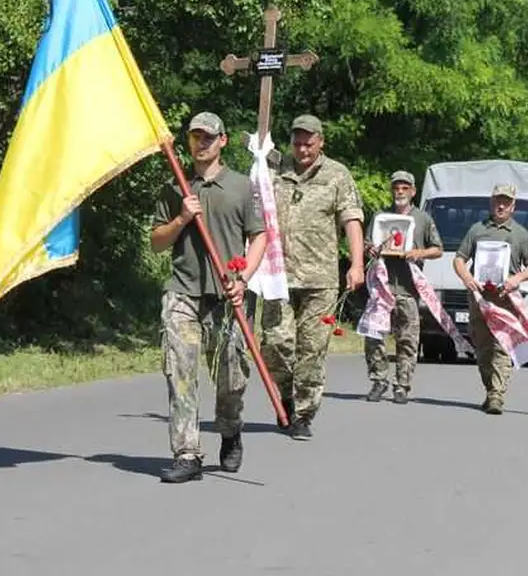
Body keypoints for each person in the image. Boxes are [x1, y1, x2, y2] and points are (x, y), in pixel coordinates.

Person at [150, 112, 267, 483]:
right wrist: (182, 218)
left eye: (207, 138)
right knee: (180, 372)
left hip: (228, 294)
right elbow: (156, 242)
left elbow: (260, 236)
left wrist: (244, 278)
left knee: (232, 378)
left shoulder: (242, 187)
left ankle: (230, 429)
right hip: (183, 292)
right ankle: (187, 453)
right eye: (194, 137)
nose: (200, 144)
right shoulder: (176, 186)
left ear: (222, 141)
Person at [262, 114, 366, 440]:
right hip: (279, 275)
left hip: (320, 279)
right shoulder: (276, 170)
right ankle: (287, 396)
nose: (303, 149)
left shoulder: (337, 175)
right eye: (297, 142)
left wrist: (357, 264)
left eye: (309, 142)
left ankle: (304, 415)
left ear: (320, 141)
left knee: (312, 348)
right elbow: (255, 201)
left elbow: (351, 220)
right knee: (275, 343)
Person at [451, 184, 528, 414]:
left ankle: (496, 395)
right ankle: (490, 388)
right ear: (491, 202)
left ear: (513, 205)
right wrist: (467, 278)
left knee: (501, 345)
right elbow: (459, 259)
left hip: (504, 299)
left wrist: (516, 279)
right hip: (479, 298)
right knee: (482, 347)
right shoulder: (477, 230)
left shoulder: (520, 234)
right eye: (498, 200)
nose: (501, 205)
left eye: (506, 201)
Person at [363, 171, 443, 403]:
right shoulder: (381, 217)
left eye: (405, 188)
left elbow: (438, 248)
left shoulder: (423, 219)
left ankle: (402, 386)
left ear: (413, 192)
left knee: (407, 340)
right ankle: (378, 381)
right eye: (396, 187)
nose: (400, 191)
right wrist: (371, 249)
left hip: (408, 289)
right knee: (374, 337)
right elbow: (369, 243)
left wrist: (419, 252)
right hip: (382, 287)